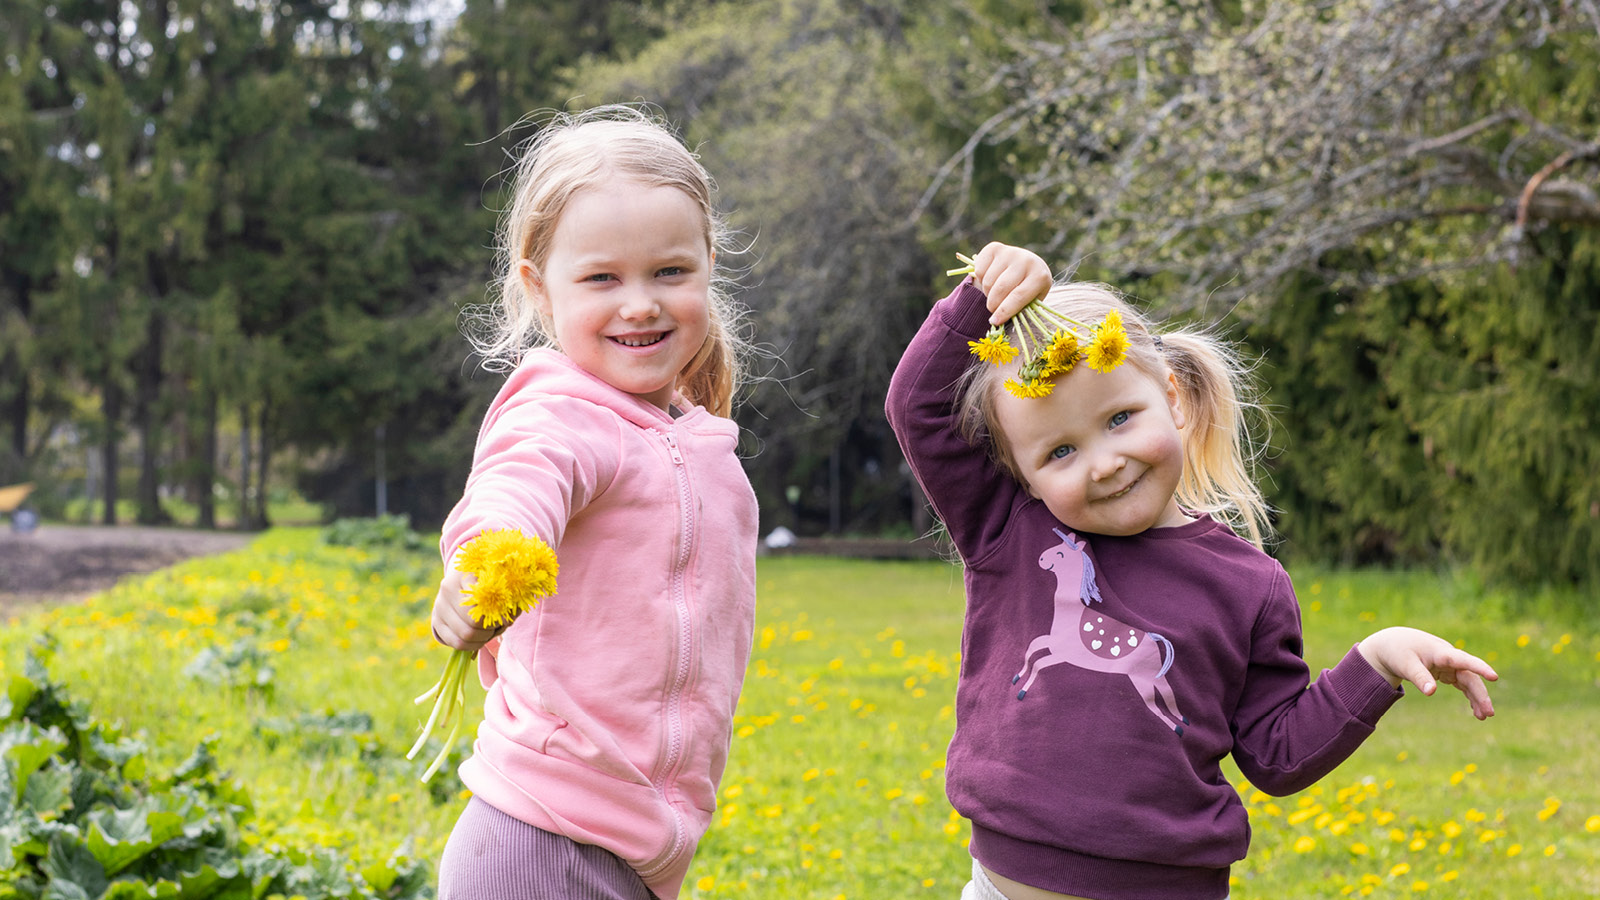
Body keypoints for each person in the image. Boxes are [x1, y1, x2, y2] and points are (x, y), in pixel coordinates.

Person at [885, 242, 1498, 900]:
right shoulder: (1012, 530)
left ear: (1172, 398)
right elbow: (914, 407)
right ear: (1023, 476)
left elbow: (1278, 752)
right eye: (1060, 451)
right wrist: (983, 293)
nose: (1105, 462)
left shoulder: (1248, 585)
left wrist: (1374, 661)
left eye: (1120, 418)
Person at [426, 105, 758, 900]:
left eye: (669, 272)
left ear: (708, 263)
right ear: (540, 289)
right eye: (602, 278)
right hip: (536, 843)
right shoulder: (558, 412)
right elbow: (519, 483)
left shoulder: (702, 444)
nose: (639, 303)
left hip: (636, 852)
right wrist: (490, 563)